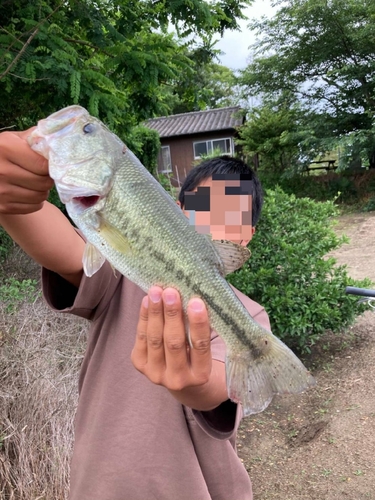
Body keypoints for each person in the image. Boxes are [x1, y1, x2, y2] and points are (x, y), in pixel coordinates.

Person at [0, 129, 271, 500]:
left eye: (230, 216)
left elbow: (215, 390)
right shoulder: (120, 272)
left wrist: (190, 383)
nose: (212, 223)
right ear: (175, 212)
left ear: (246, 238)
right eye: (203, 207)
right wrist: (13, 199)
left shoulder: (250, 318)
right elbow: (60, 246)